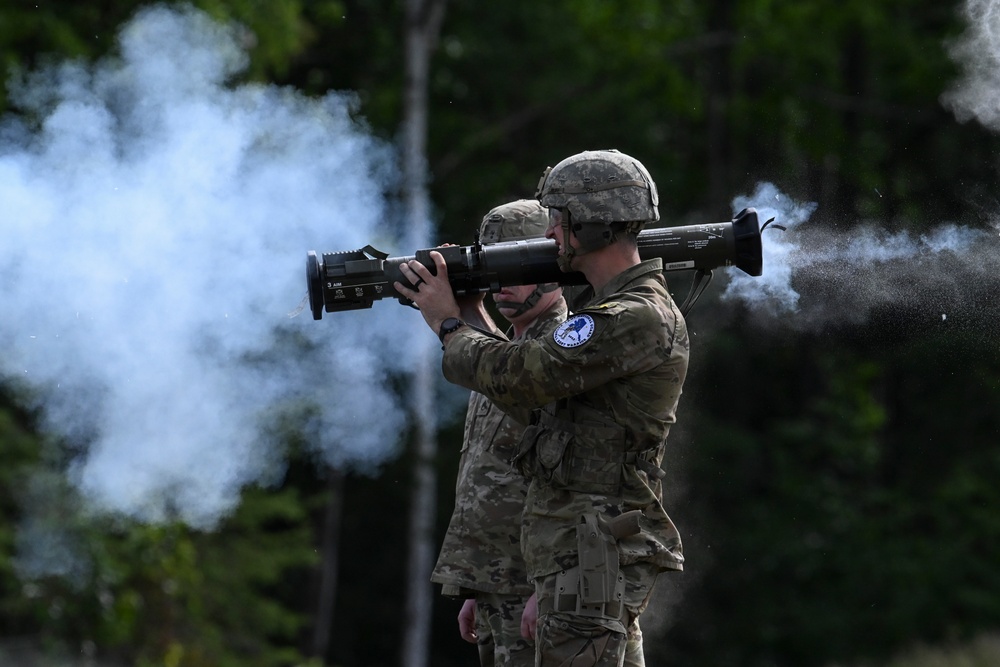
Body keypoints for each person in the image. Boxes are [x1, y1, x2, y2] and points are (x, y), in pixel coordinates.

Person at [397, 149, 689, 666]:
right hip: (570, 554)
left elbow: (520, 378)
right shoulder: (617, 313)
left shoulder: (630, 316)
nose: (551, 234)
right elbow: (533, 405)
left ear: (590, 224)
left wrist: (448, 324)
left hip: (587, 555)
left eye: (558, 219)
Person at [430, 199, 566, 667]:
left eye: (515, 265)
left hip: (533, 588)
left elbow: (565, 481)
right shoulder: (510, 351)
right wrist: (477, 583)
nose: (502, 283)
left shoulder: (558, 351)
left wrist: (548, 587)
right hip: (498, 585)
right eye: (492, 267)